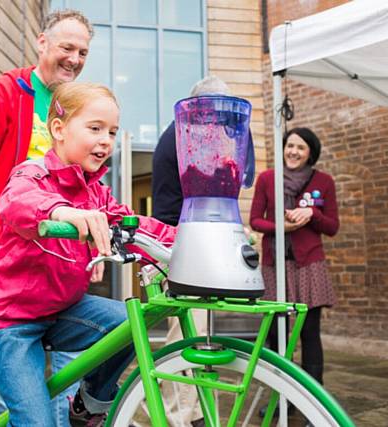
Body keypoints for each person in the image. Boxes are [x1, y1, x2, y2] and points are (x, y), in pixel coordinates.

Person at [0, 82, 176, 427]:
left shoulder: (96, 191)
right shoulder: (33, 173)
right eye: (95, 128)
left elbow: (134, 224)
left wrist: (187, 240)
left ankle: (90, 404)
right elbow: (16, 203)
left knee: (133, 322)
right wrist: (60, 212)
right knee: (36, 422)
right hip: (11, 321)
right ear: (59, 128)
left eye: (112, 131)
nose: (106, 140)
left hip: (62, 310)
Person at [0, 9, 94, 426]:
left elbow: (82, 183)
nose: (74, 58)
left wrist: (90, 245)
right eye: (67, 47)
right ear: (42, 43)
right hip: (5, 253)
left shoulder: (75, 106)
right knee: (3, 370)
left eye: (83, 51)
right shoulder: (2, 95)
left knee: (69, 364)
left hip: (63, 258)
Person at [151, 75, 234, 427]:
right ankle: (176, 417)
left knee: (200, 334)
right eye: (214, 112)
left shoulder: (203, 136)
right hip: (180, 240)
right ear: (198, 108)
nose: (220, 121)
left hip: (201, 241)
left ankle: (199, 411)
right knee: (186, 332)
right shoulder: (182, 137)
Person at [249, 127, 339, 425]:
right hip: (276, 265)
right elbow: (255, 221)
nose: (294, 152)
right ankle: (280, 401)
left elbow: (332, 227)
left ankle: (315, 404)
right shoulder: (267, 179)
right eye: (290, 146)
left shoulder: (323, 182)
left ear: (310, 152)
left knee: (310, 333)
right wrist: (283, 226)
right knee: (277, 336)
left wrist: (313, 214)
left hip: (309, 266)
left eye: (301, 148)